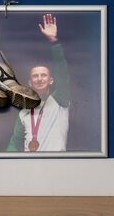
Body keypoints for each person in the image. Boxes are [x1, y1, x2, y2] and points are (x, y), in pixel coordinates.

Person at [7, 14, 71, 152]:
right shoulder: (24, 111)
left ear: (51, 80)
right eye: (35, 76)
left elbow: (62, 73)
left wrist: (53, 41)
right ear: (30, 82)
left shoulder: (60, 100)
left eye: (43, 75)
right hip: (29, 163)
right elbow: (14, 143)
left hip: (56, 162)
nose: (40, 78)